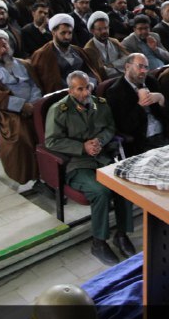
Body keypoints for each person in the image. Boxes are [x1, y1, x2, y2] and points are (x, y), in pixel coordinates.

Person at [44, 71, 136, 265]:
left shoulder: (100, 104)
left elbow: (110, 128)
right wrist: (82, 147)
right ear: (70, 90)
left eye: (88, 87)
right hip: (76, 164)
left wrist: (99, 141)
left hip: (102, 157)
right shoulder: (59, 110)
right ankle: (99, 242)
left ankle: (121, 234)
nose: (86, 93)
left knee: (124, 183)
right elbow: (51, 142)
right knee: (100, 191)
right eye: (80, 89)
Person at [0, 30, 42, 185]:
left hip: (34, 105)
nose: (2, 50)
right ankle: (30, 174)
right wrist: (21, 106)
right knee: (20, 133)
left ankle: (51, 171)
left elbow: (35, 84)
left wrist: (34, 103)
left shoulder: (24, 63)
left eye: (4, 46)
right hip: (9, 111)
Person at [106, 53, 169, 157]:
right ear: (127, 67)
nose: (144, 71)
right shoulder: (115, 92)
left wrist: (161, 99)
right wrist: (140, 106)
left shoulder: (151, 81)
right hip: (142, 142)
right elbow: (124, 127)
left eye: (146, 67)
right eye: (140, 66)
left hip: (164, 135)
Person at [30, 14, 101, 94]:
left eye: (69, 33)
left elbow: (90, 72)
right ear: (54, 33)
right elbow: (50, 83)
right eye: (63, 33)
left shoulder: (78, 51)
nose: (67, 37)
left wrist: (90, 85)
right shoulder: (43, 55)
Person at [83, 11, 130, 80]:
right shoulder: (89, 48)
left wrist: (112, 65)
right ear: (92, 31)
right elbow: (102, 72)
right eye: (100, 29)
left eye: (106, 28)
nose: (104, 31)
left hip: (124, 78)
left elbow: (128, 59)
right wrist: (121, 65)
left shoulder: (114, 41)